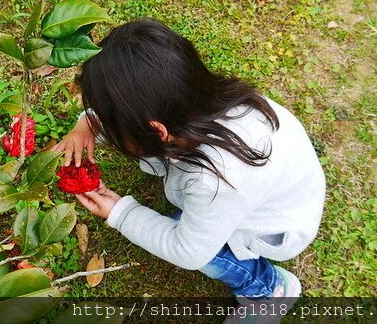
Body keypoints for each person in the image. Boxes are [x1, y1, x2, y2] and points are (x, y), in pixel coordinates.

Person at [53, 18, 326, 321]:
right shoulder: (194, 103)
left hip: (270, 225)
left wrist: (121, 213)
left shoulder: (216, 180)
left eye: (111, 123)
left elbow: (188, 250)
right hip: (275, 186)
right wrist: (87, 124)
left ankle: (268, 289)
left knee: (193, 239)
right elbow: (138, 110)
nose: (104, 126)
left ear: (157, 132)